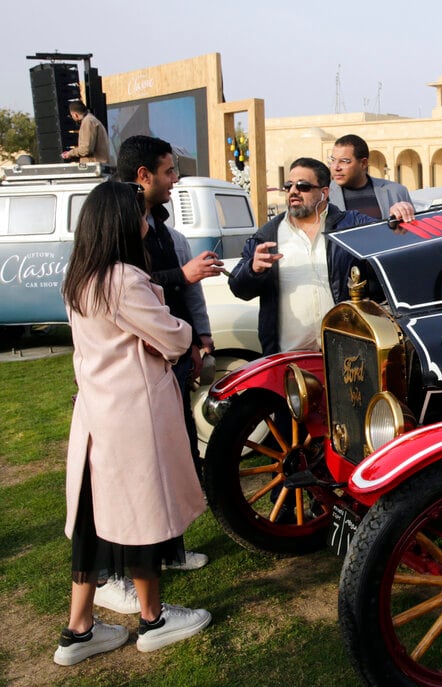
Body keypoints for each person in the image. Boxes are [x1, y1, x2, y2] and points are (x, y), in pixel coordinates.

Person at [54, 181, 211, 666]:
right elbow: (173, 338)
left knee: (93, 521)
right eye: (139, 214)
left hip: (97, 413)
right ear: (121, 222)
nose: (147, 221)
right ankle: (154, 620)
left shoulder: (79, 277)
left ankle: (79, 629)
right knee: (142, 514)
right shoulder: (122, 278)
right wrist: (176, 326)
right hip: (133, 415)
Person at [91, 136, 220, 617]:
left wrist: (198, 337)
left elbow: (177, 306)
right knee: (136, 485)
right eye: (169, 172)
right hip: (128, 392)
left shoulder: (160, 228)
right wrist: (182, 311)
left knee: (174, 460)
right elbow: (138, 299)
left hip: (154, 378)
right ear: (142, 176)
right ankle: (126, 585)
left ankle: (166, 551)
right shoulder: (116, 255)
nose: (175, 181)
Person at [231, 157, 406, 354]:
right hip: (290, 358)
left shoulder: (350, 226)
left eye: (303, 186)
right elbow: (238, 288)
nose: (293, 192)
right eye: (288, 186)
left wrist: (397, 216)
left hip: (347, 355)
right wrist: (253, 270)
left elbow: (390, 240)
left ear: (324, 192)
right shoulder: (267, 236)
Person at [327, 134, 414, 220]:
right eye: (333, 160)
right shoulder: (323, 196)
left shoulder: (396, 192)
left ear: (363, 163)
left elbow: (412, 231)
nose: (335, 167)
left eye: (344, 161)